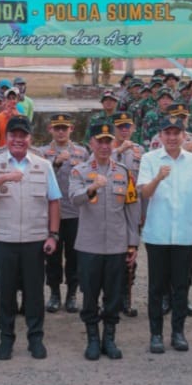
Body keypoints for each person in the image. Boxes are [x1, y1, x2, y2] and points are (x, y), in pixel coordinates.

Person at [0, 115, 61, 361]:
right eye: (13, 135)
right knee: (5, 293)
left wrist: (53, 235)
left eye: (23, 135)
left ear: (30, 138)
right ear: (7, 138)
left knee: (34, 293)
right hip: (4, 240)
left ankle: (36, 339)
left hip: (35, 240)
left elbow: (54, 200)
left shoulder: (42, 165)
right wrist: (3, 178)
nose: (18, 139)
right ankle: (6, 339)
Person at [137, 113, 192, 354]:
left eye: (176, 133)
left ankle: (178, 332)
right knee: (156, 287)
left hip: (184, 234)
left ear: (183, 136)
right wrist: (158, 177)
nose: (171, 137)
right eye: (167, 133)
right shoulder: (149, 159)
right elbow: (144, 194)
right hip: (157, 234)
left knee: (181, 286)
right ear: (160, 136)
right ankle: (155, 334)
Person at [68, 120, 141, 360]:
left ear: (113, 143)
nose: (104, 146)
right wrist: (92, 188)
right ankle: (92, 339)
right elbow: (74, 199)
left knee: (114, 295)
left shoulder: (123, 172)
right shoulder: (79, 171)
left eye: (108, 141)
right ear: (91, 142)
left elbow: (131, 209)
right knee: (89, 294)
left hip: (117, 245)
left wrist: (132, 244)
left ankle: (109, 338)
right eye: (99, 141)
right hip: (89, 245)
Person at [36, 113, 89, 313]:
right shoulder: (42, 153)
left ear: (71, 129)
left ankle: (72, 294)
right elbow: (40, 179)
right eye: (57, 128)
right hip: (52, 215)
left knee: (74, 256)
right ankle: (54, 293)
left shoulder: (81, 152)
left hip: (76, 214)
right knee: (53, 256)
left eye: (64, 128)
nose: (60, 132)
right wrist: (56, 163)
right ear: (50, 129)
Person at [110, 111, 144, 317]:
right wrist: (118, 151)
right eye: (120, 126)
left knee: (130, 253)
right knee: (110, 254)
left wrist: (144, 211)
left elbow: (143, 182)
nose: (124, 130)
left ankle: (126, 297)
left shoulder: (140, 150)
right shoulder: (105, 147)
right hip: (110, 207)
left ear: (133, 128)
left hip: (132, 208)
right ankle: (110, 296)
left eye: (127, 126)